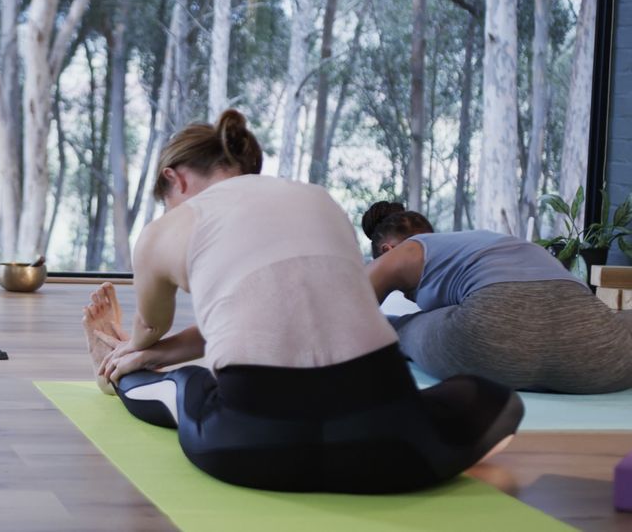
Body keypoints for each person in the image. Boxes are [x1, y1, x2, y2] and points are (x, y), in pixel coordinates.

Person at [83, 110, 523, 494]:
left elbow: (150, 328)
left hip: (244, 447)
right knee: (494, 398)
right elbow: (279, 307)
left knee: (178, 385)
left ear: (173, 178)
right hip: (395, 447)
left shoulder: (166, 230)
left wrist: (137, 347)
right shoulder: (320, 199)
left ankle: (113, 366)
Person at [363, 201, 632, 394]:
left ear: (387, 248)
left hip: (489, 337)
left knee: (399, 326)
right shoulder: (483, 240)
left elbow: (349, 307)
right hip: (594, 351)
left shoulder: (405, 251)